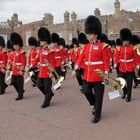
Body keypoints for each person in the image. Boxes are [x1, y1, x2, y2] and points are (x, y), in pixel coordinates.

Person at [72, 15, 110, 123]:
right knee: (86, 91)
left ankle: (97, 115)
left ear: (95, 33)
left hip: (99, 75)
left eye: (89, 33)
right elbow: (80, 59)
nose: (87, 35)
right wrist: (75, 69)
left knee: (98, 96)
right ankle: (94, 105)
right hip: (88, 74)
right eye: (87, 33)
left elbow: (106, 62)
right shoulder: (86, 47)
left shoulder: (103, 46)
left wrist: (106, 74)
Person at [114, 28, 137, 102]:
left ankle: (128, 96)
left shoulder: (133, 48)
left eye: (126, 41)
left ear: (129, 40)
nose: (125, 42)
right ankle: (125, 91)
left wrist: (136, 66)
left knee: (129, 83)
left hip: (130, 67)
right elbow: (116, 56)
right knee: (120, 82)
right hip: (122, 67)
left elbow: (136, 58)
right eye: (124, 41)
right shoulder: (119, 48)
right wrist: (115, 63)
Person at [37, 27, 55, 108]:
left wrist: (52, 72)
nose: (40, 41)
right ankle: (50, 95)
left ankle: (46, 101)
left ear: (46, 40)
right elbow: (39, 60)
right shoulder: (40, 51)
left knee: (47, 88)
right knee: (39, 85)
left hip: (47, 71)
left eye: (41, 40)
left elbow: (52, 63)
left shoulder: (50, 51)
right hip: (41, 71)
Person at [10, 32, 26, 100]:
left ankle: (20, 95)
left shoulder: (21, 52)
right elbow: (12, 61)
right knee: (13, 82)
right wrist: (10, 68)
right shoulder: (14, 53)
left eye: (15, 45)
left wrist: (21, 70)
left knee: (20, 84)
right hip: (14, 70)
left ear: (19, 45)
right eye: (14, 45)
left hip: (19, 70)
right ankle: (21, 91)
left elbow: (24, 62)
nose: (14, 46)